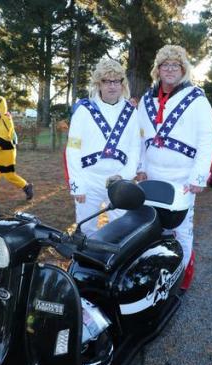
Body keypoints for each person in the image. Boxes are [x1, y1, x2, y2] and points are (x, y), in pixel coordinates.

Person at [137, 45, 212, 290]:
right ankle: (153, 275)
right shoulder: (146, 99)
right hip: (151, 175)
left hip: (182, 178)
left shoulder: (197, 98)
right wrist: (140, 167)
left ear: (183, 69)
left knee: (181, 229)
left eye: (175, 65)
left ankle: (182, 278)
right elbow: (139, 138)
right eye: (165, 65)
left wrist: (199, 176)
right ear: (157, 70)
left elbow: (207, 139)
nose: (170, 69)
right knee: (150, 227)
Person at [64, 59, 141, 235]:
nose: (112, 86)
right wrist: (77, 183)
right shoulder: (84, 109)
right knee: (86, 229)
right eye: (106, 81)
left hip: (119, 180)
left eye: (116, 81)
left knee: (121, 230)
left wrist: (125, 176)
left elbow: (135, 148)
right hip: (89, 179)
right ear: (98, 83)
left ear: (122, 84)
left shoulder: (131, 111)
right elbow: (73, 148)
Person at [0, 96, 33, 218]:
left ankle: (26, 186)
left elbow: (7, 135)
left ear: (0, 106)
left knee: (9, 176)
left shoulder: (6, 118)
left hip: (5, 154)